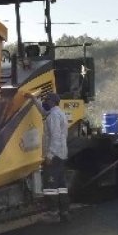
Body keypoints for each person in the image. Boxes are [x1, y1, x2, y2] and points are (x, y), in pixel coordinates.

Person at [41, 92, 70, 221]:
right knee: (61, 185)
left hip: (55, 155)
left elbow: (55, 137)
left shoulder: (52, 116)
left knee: (50, 185)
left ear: (51, 102)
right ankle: (64, 212)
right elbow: (43, 112)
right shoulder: (60, 114)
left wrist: (49, 155)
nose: (45, 103)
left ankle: (53, 214)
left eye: (46, 101)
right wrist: (32, 99)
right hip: (62, 154)